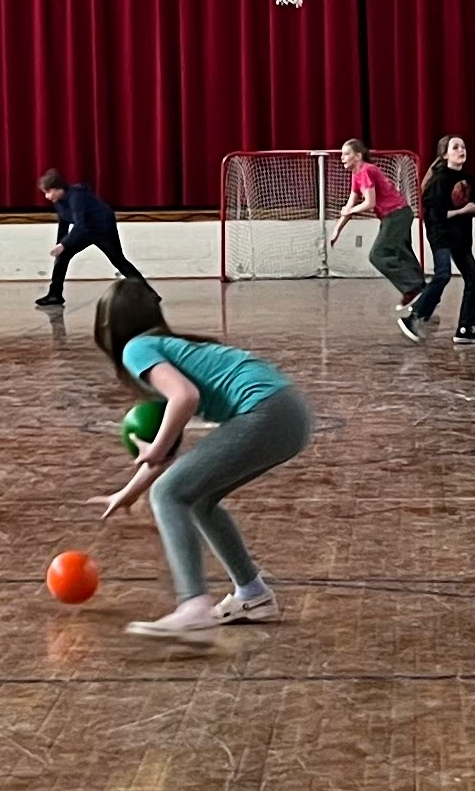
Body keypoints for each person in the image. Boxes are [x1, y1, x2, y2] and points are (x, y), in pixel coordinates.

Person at [93, 276, 313, 646]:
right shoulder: (168, 348)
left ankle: (193, 605)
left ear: (108, 326)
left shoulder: (137, 348)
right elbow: (174, 455)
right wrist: (127, 493)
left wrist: (156, 448)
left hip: (267, 411)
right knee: (196, 498)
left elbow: (185, 397)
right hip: (289, 413)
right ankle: (252, 595)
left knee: (168, 494)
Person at [402, 133, 475, 342]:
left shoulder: (468, 178)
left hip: (461, 237)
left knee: (474, 281)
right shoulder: (439, 180)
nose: (461, 150)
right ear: (445, 154)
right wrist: (463, 211)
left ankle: (466, 330)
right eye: (456, 147)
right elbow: (435, 215)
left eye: (463, 147)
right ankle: (414, 316)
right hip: (440, 234)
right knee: (443, 275)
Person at [326, 139, 423, 303]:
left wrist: (350, 210)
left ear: (358, 156)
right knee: (402, 252)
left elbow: (369, 203)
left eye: (346, 154)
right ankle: (421, 289)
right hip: (397, 215)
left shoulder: (366, 170)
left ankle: (413, 287)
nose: (342, 157)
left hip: (396, 214)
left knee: (377, 255)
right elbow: (350, 203)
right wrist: (337, 230)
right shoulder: (357, 175)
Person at [37, 170, 137, 308]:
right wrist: (60, 244)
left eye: (49, 192)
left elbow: (79, 225)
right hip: (85, 230)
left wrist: (64, 244)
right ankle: (55, 295)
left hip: (103, 229)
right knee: (62, 257)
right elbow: (64, 223)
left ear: (59, 189)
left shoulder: (76, 197)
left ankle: (149, 295)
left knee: (118, 260)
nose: (47, 196)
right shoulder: (58, 201)